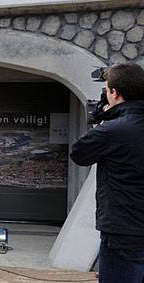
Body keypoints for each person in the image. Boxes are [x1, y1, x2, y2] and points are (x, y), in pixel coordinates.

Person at [70, 63, 144, 283]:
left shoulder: (114, 130)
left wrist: (106, 119)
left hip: (124, 232)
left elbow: (79, 153)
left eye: (107, 90)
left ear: (114, 93)